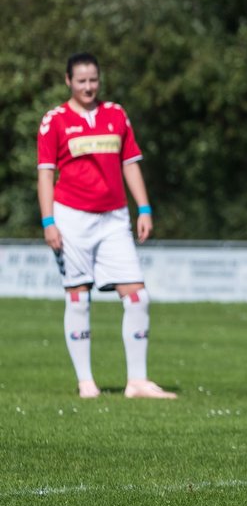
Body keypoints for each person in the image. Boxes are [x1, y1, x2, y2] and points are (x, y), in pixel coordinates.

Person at [36, 52, 177, 400]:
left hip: (114, 218)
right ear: (68, 81)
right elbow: (45, 174)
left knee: (137, 296)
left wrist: (143, 207)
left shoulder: (116, 115)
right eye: (81, 80)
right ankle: (86, 382)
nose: (88, 86)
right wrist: (48, 220)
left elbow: (129, 163)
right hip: (71, 218)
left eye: (93, 80)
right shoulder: (53, 121)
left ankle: (137, 382)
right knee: (78, 298)